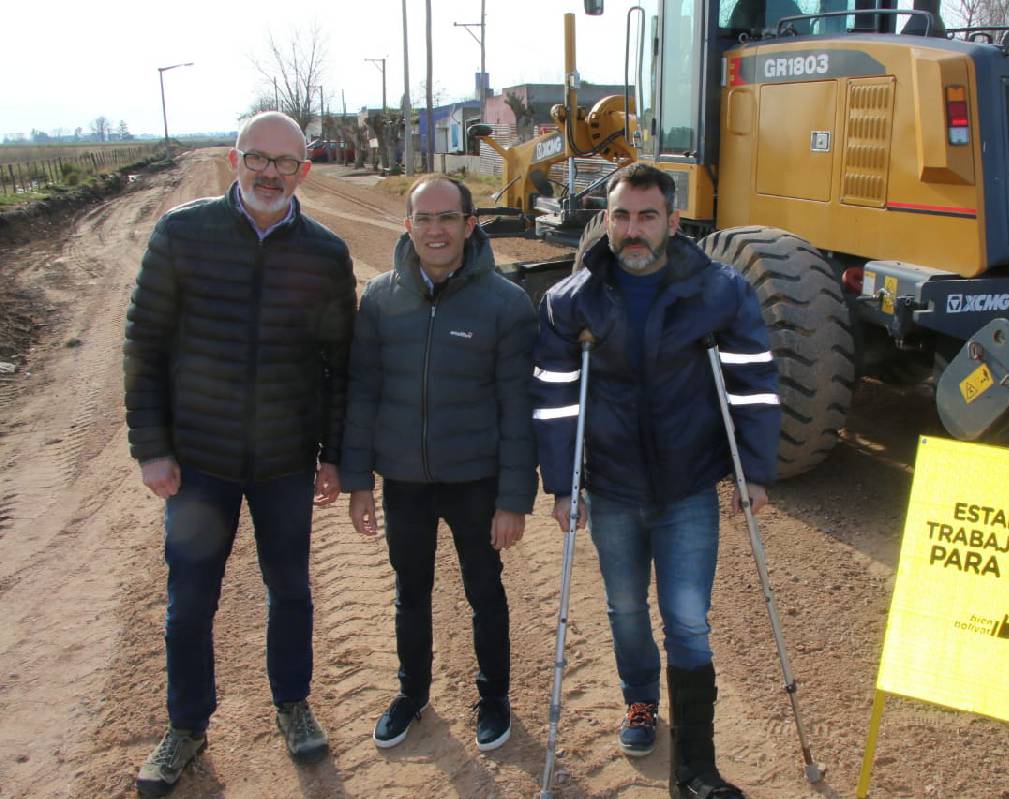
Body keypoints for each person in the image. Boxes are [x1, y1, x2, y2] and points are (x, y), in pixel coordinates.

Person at [123, 111, 356, 797]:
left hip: (285, 459)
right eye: (258, 157)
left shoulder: (324, 253)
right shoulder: (181, 234)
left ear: (303, 172)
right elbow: (143, 345)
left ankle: (292, 702)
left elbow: (338, 365)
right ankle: (186, 725)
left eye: (285, 163)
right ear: (235, 160)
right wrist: (151, 448)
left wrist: (333, 454)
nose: (270, 172)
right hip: (199, 460)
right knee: (190, 600)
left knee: (291, 588)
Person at [531, 163, 780, 798]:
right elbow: (557, 401)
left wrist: (753, 469)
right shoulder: (570, 301)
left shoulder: (718, 291)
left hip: (687, 485)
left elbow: (752, 382)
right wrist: (564, 483)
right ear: (606, 220)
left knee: (688, 620)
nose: (633, 229)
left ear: (673, 219)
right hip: (611, 486)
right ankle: (640, 701)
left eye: (647, 216)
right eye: (622, 216)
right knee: (624, 607)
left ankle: (696, 769)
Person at [339, 175, 538, 753]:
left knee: (484, 590)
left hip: (476, 479)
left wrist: (512, 500)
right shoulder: (379, 299)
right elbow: (364, 395)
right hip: (404, 480)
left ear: (470, 225)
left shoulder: (505, 303)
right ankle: (411, 693)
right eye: (423, 218)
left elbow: (517, 410)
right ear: (407, 225)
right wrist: (358, 484)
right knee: (411, 589)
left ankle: (494, 696)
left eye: (447, 218)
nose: (435, 229)